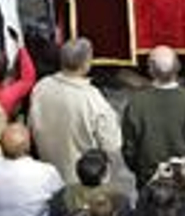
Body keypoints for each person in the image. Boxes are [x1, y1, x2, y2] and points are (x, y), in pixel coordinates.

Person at [28, 37, 124, 187]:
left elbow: (32, 126)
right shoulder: (92, 99)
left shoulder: (41, 86)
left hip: (46, 171)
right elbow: (112, 144)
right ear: (85, 64)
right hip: (82, 178)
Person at [121, 46, 185, 181]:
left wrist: (143, 172)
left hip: (151, 182)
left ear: (150, 70)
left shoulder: (135, 105)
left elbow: (129, 151)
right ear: (178, 68)